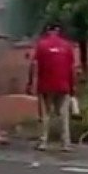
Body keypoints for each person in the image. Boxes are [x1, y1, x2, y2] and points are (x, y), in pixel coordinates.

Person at [29, 23, 75, 152]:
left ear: (48, 31)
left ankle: (43, 142)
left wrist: (31, 83)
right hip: (63, 85)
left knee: (45, 115)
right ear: (59, 31)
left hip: (45, 86)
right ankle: (66, 144)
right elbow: (72, 68)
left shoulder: (41, 45)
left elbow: (35, 66)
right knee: (63, 115)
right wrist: (72, 87)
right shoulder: (67, 45)